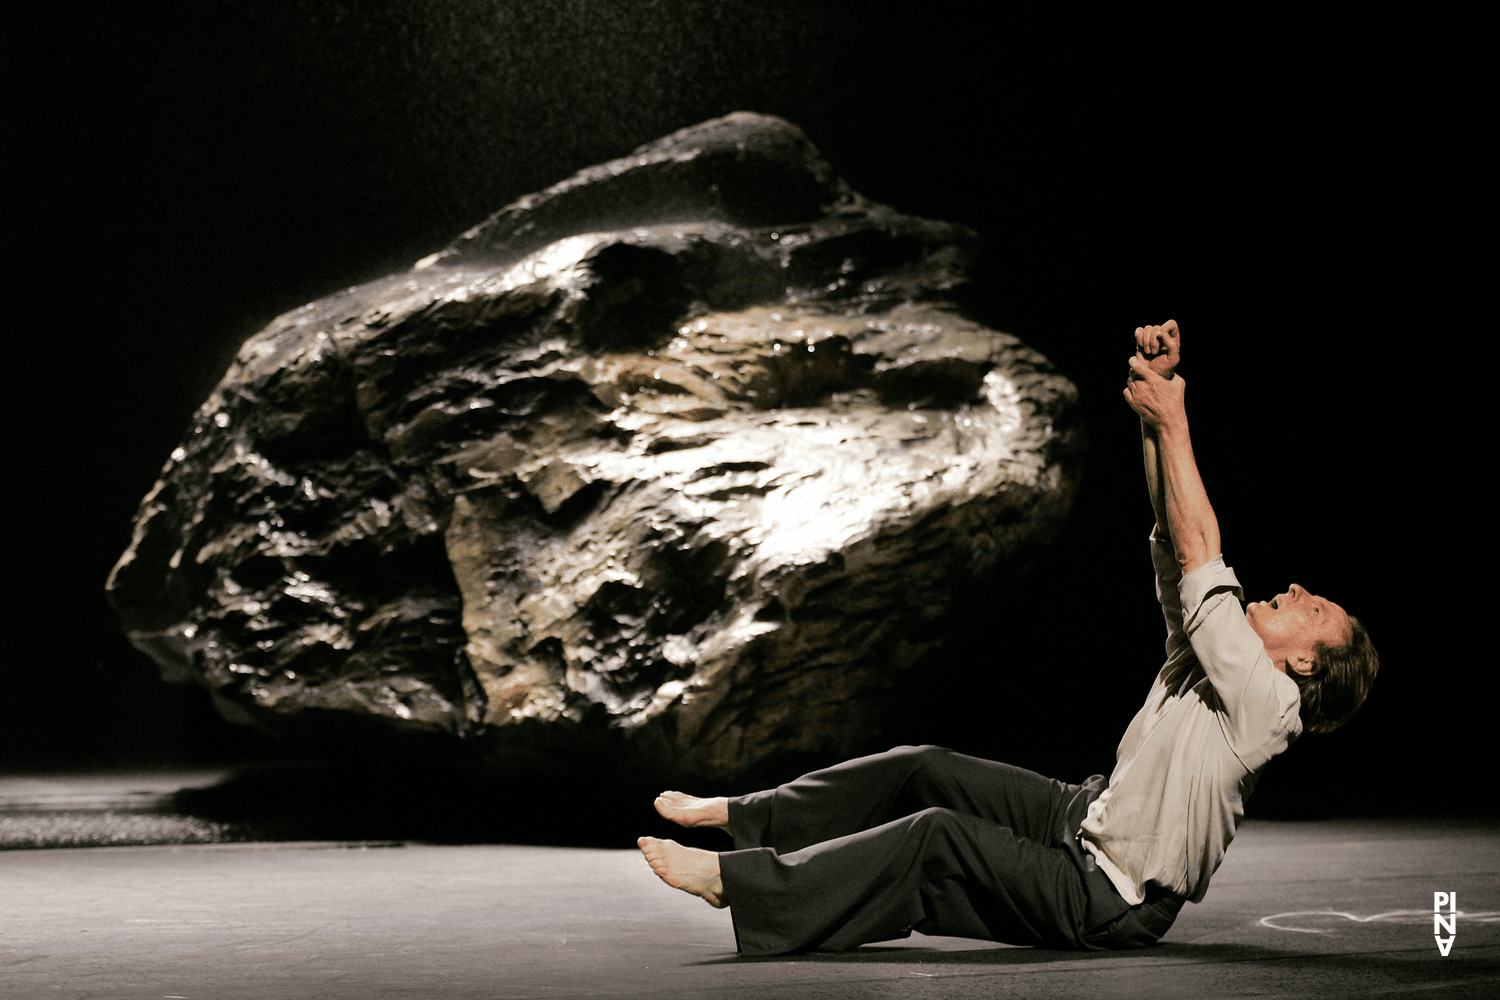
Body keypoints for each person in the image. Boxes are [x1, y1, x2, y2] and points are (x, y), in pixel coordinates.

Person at [637, 320, 1379, 955]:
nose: (1299, 594)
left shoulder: (1268, 704)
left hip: (1108, 894)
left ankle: (736, 887)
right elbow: (1170, 534)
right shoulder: (1219, 660)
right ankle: (750, 817)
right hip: (1089, 814)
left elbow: (1199, 552)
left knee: (934, 836)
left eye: (1315, 611)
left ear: (1307, 662)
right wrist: (1153, 411)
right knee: (921, 765)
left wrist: (1176, 419)